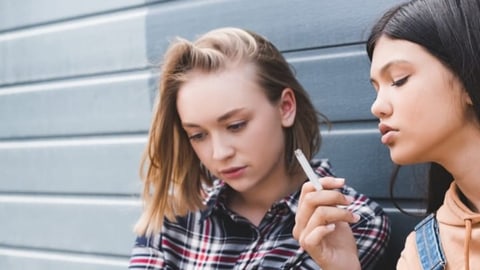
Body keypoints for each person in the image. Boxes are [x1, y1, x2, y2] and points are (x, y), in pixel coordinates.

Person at [128, 27, 389, 269]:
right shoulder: (172, 219)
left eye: (236, 125)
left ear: (285, 107)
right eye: (197, 135)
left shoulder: (348, 222)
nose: (219, 153)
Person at [294, 0, 480, 269]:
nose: (377, 106)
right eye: (376, 88)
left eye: (399, 79)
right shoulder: (423, 250)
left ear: (469, 75)